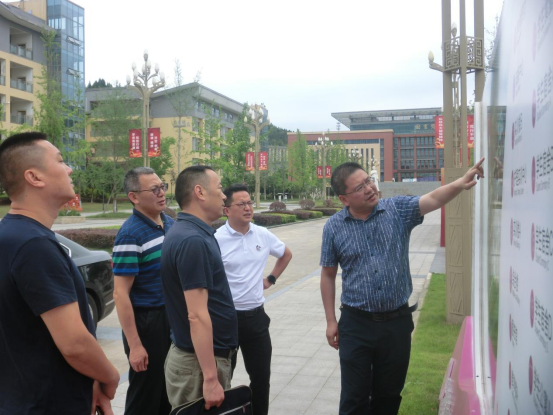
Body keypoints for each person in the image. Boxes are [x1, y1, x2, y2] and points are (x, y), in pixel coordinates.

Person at [320, 160, 484, 415]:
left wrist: (460, 183)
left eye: (368, 181)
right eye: (360, 187)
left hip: (396, 324)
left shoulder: (396, 210)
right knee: (354, 398)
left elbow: (432, 199)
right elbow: (328, 274)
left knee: (388, 396)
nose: (369, 188)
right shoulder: (333, 227)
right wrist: (331, 321)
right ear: (344, 198)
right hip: (355, 324)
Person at [0, 132, 120, 415]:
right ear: (34, 177)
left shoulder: (11, 235)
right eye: (61, 161)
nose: (69, 169)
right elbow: (74, 344)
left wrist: (89, 377)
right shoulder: (34, 245)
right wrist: (110, 376)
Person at [161, 166, 238, 410]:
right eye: (219, 188)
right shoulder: (192, 240)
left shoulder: (191, 232)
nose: (224, 195)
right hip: (198, 366)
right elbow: (196, 315)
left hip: (199, 361)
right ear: (200, 192)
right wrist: (211, 377)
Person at [215, 184, 293, 415]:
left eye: (249, 202)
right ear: (227, 210)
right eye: (241, 204)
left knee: (260, 378)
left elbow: (286, 254)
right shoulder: (216, 239)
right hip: (226, 320)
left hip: (256, 318)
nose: (248, 208)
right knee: (222, 380)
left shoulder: (262, 234)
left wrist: (271, 279)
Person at [112, 167, 174, 415]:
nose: (161, 193)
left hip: (171, 318)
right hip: (147, 323)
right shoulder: (130, 234)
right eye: (154, 189)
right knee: (145, 395)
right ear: (134, 197)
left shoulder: (170, 223)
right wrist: (135, 346)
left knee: (168, 393)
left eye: (162, 187)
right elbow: (120, 294)